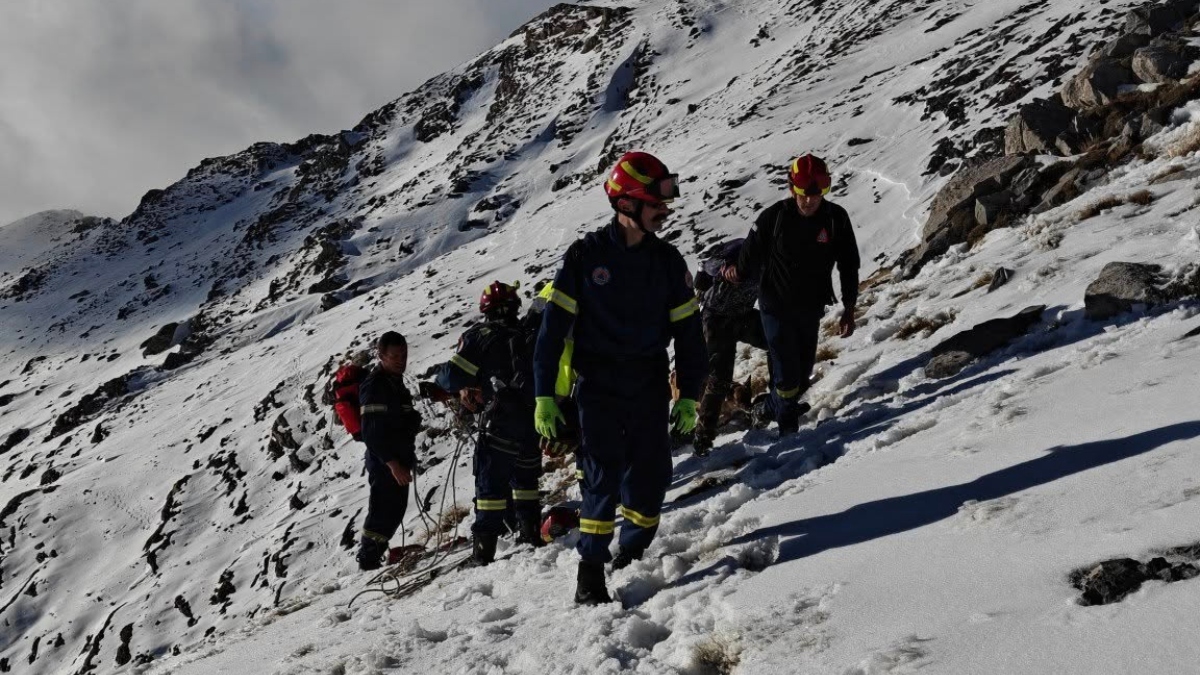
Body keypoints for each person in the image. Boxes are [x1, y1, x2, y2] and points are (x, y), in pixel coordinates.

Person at [533, 151, 707, 605]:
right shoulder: (584, 256)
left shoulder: (669, 263)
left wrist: (689, 396)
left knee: (650, 481)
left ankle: (633, 546)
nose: (665, 212)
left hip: (648, 384)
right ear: (626, 204)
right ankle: (590, 570)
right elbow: (551, 334)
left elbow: (690, 337)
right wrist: (543, 397)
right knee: (601, 474)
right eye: (657, 204)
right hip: (597, 387)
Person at [724, 154, 860, 436]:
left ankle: (767, 409)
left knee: (801, 375)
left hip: (810, 308)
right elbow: (747, 259)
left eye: (817, 193)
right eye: (803, 194)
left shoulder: (836, 219)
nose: (809, 200)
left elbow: (849, 264)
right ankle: (788, 436)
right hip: (775, 306)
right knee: (786, 378)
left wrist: (849, 307)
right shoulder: (773, 218)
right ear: (792, 188)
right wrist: (733, 272)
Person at [434, 281, 542, 565]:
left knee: (489, 490)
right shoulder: (529, 332)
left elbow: (451, 376)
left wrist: (453, 385)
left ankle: (483, 553)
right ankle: (530, 533)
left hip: (500, 422)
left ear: (485, 310)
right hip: (534, 420)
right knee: (526, 481)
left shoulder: (480, 335)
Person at [691, 238, 768, 456]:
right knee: (719, 379)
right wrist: (725, 269)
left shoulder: (778, 258)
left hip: (743, 313)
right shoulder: (741, 248)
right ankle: (703, 437)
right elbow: (706, 263)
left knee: (779, 342)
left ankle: (775, 405)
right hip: (716, 318)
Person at [356, 331, 423, 571]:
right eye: (394, 356)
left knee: (394, 509)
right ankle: (368, 560)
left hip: (398, 458)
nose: (401, 360)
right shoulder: (375, 386)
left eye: (404, 354)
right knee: (384, 510)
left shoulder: (395, 384)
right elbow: (371, 433)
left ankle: (373, 556)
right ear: (381, 356)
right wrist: (393, 464)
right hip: (386, 462)